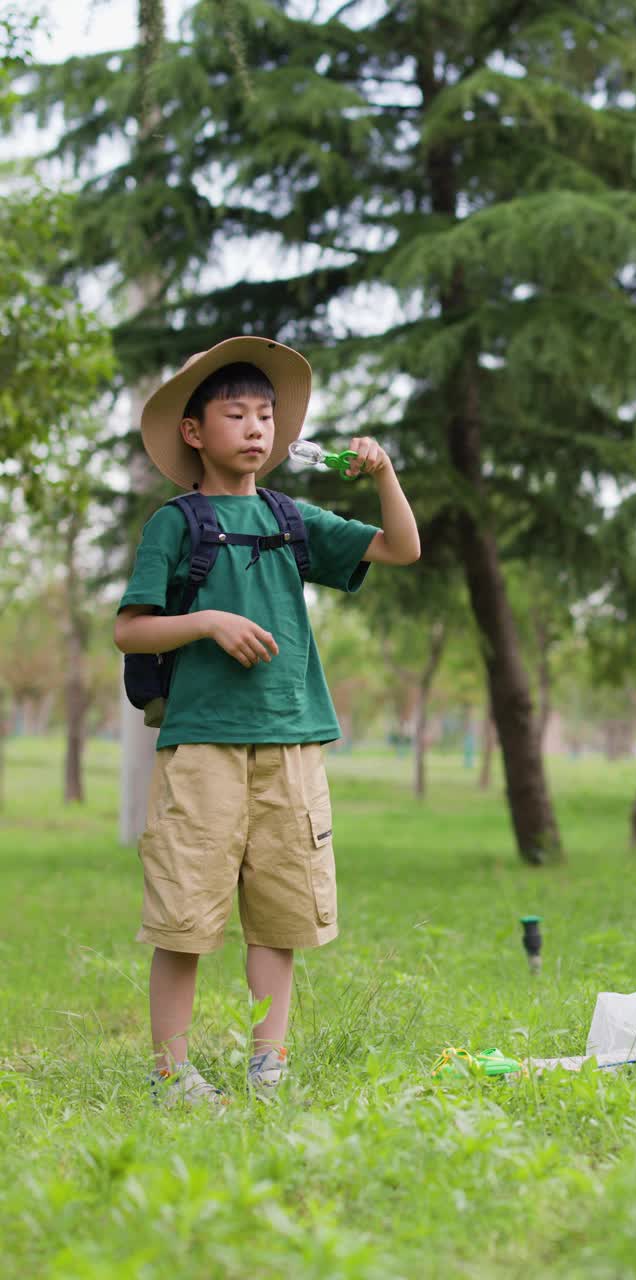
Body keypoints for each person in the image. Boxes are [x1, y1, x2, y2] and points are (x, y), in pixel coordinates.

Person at [114, 336, 420, 1105]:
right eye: (236, 414)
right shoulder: (175, 525)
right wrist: (209, 621)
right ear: (194, 433)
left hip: (292, 740)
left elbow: (401, 548)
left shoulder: (293, 517)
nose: (257, 428)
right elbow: (131, 629)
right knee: (185, 916)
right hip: (202, 744)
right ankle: (170, 1072)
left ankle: (268, 1064)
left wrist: (383, 473)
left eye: (266, 416)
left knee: (279, 917)